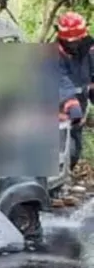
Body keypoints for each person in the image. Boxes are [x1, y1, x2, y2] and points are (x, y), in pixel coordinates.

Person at [54, 11, 92, 169]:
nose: (73, 45)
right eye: (69, 42)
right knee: (62, 148)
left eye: (76, 41)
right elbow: (59, 79)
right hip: (59, 107)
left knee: (75, 151)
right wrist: (69, 101)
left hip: (80, 106)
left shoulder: (90, 51)